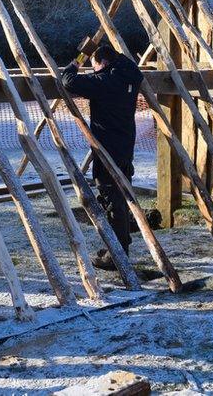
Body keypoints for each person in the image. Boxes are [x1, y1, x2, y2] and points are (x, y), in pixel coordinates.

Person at [61, 44, 143, 270]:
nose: (93, 70)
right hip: (125, 143)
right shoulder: (131, 75)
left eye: (94, 66)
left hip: (108, 147)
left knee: (111, 196)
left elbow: (68, 80)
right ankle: (120, 246)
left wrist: (78, 59)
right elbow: (127, 65)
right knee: (123, 193)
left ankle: (117, 255)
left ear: (103, 63)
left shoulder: (105, 82)